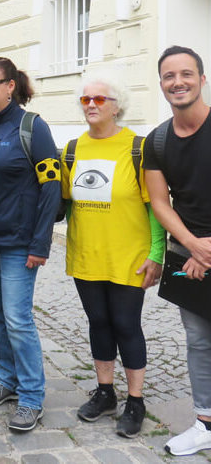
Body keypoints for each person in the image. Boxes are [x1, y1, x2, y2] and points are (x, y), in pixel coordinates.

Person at [61, 74, 165, 438]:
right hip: (88, 254)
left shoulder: (138, 147)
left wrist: (157, 253)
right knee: (98, 322)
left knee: (126, 324)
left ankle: (135, 400)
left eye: (100, 99)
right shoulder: (72, 149)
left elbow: (156, 206)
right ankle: (105, 391)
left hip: (129, 256)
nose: (91, 105)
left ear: (116, 105)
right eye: (86, 100)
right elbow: (65, 203)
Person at [0, 57, 60, 432]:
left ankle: (32, 397)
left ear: (10, 86)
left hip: (20, 243)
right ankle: (8, 380)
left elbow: (51, 186)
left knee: (19, 319)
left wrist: (41, 242)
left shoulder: (32, 128)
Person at [143, 46, 211, 456]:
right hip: (189, 253)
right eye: (169, 76)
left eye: (187, 74)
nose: (178, 82)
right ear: (162, 84)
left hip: (202, 251)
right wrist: (192, 246)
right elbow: (160, 203)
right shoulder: (159, 140)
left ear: (202, 79)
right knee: (199, 340)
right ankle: (205, 421)